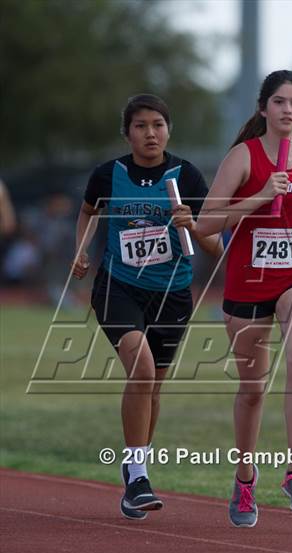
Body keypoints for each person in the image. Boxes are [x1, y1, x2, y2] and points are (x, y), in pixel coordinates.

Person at [72, 94, 222, 520]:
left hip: (172, 292)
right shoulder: (108, 175)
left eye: (158, 124)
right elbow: (87, 213)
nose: (150, 132)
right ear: (128, 133)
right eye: (140, 125)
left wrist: (191, 223)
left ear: (168, 130)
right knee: (139, 367)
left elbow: (215, 244)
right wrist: (81, 249)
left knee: (153, 385)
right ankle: (137, 475)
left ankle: (135, 461)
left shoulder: (187, 177)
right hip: (118, 287)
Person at [196, 70, 292, 527]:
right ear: (263, 108)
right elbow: (205, 225)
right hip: (248, 283)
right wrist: (257, 197)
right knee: (253, 389)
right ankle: (244, 477)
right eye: (279, 102)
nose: (288, 110)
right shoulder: (243, 157)